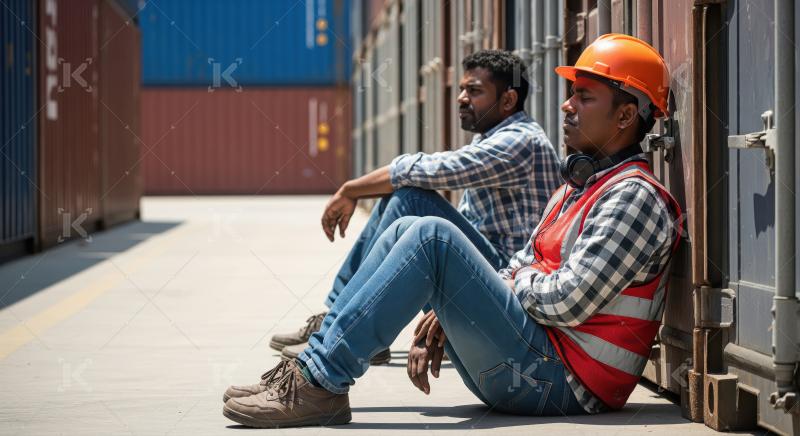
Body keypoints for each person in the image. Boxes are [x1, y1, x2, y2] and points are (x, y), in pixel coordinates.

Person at [223, 33, 682, 428]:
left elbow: (567, 299)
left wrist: (493, 287)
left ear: (625, 117)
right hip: (533, 359)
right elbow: (526, 262)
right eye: (571, 93)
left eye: (584, 96)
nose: (566, 105)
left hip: (561, 383)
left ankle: (320, 382)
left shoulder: (633, 197)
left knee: (432, 236)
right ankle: (318, 360)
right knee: (409, 221)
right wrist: (469, 298)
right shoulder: (581, 184)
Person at [268, 50, 562, 365]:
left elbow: (425, 170)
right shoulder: (494, 139)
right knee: (398, 202)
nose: (461, 98)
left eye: (474, 91)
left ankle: (343, 325)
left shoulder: (519, 143)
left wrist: (350, 188)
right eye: (462, 89)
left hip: (509, 283)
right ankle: (340, 319)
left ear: (507, 100)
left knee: (412, 197)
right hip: (493, 271)